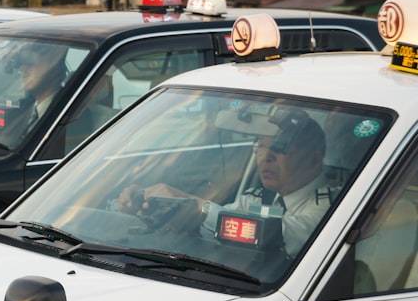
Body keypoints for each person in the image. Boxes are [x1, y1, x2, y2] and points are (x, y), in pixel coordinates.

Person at [119, 107, 329, 256]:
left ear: (313, 160)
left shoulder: (331, 208)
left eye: (280, 148)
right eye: (262, 147)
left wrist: (195, 205)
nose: (266, 157)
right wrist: (149, 206)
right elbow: (217, 229)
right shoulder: (256, 200)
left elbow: (280, 234)